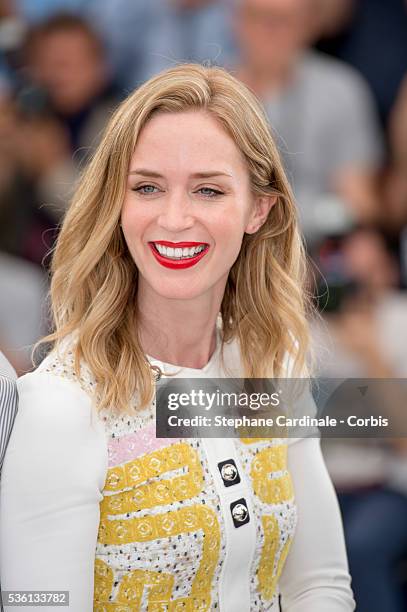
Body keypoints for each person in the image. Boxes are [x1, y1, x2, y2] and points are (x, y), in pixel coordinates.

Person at [0, 64, 355, 610]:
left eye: (208, 190)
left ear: (259, 209)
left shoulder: (271, 369)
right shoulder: (62, 406)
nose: (174, 218)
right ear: (117, 205)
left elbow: (319, 586)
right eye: (147, 187)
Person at [233, 0, 384, 246]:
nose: (270, 30)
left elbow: (359, 200)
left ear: (309, 26)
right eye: (259, 17)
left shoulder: (340, 90)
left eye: (285, 22)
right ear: (237, 22)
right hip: (238, 240)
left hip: (315, 246)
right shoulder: (215, 93)